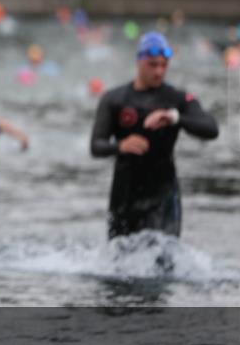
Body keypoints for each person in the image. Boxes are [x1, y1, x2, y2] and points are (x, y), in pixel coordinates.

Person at [90, 31, 218, 240]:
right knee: (120, 263)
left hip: (163, 195)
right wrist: (120, 146)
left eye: (163, 65)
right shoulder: (114, 99)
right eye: (152, 64)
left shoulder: (177, 98)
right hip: (125, 194)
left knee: (164, 262)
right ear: (139, 61)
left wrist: (175, 118)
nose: (159, 71)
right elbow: (96, 146)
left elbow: (211, 129)